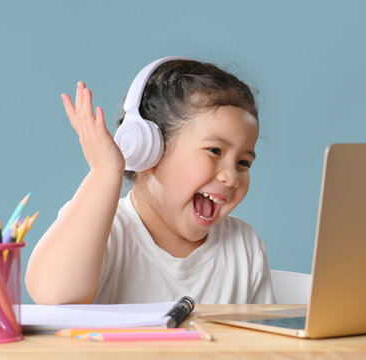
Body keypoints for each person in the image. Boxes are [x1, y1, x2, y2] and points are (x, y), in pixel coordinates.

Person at [25, 56, 275, 305]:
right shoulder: (103, 227)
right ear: (148, 151)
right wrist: (104, 171)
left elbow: (265, 340)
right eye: (215, 151)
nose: (231, 177)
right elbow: (55, 295)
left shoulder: (244, 247)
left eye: (244, 163)